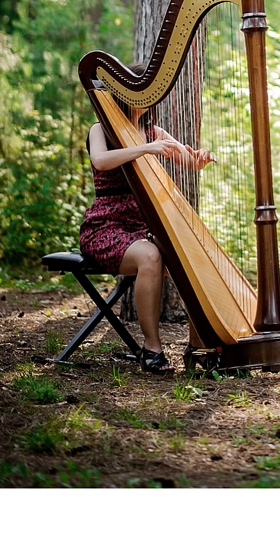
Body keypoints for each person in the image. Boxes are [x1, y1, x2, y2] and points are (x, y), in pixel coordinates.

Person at [79, 73, 214, 373]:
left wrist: (200, 157)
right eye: (137, 92)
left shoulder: (154, 131)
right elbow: (101, 161)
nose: (144, 99)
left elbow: (190, 159)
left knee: (191, 252)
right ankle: (152, 350)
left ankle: (198, 347)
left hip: (141, 229)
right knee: (150, 256)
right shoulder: (100, 129)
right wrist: (145, 148)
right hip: (106, 228)